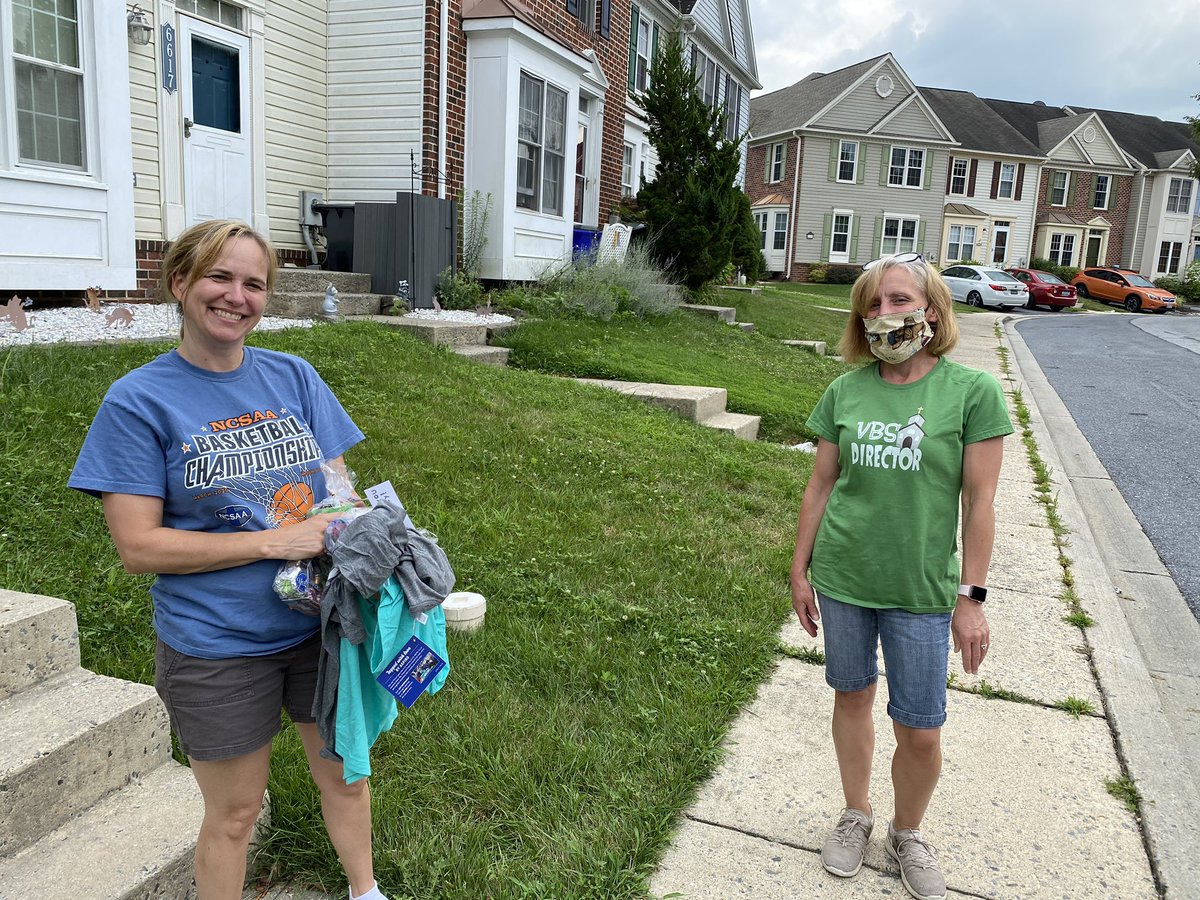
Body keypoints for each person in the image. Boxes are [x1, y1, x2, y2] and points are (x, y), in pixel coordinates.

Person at [69, 220, 388, 900]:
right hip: (218, 645)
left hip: (320, 629)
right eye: (219, 277)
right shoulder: (138, 400)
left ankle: (366, 891)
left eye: (253, 283)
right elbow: (139, 548)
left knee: (348, 776)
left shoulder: (293, 375)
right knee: (236, 813)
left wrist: (352, 525)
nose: (236, 296)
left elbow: (340, 488)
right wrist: (276, 541)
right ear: (180, 283)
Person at [790, 252, 1013, 900]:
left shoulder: (972, 393)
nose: (883, 314)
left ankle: (907, 832)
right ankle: (855, 814)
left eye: (897, 300)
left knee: (919, 728)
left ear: (932, 311)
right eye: (873, 304)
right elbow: (820, 485)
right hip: (844, 577)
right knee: (851, 696)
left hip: (920, 591)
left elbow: (981, 504)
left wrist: (971, 598)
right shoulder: (846, 391)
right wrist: (800, 570)